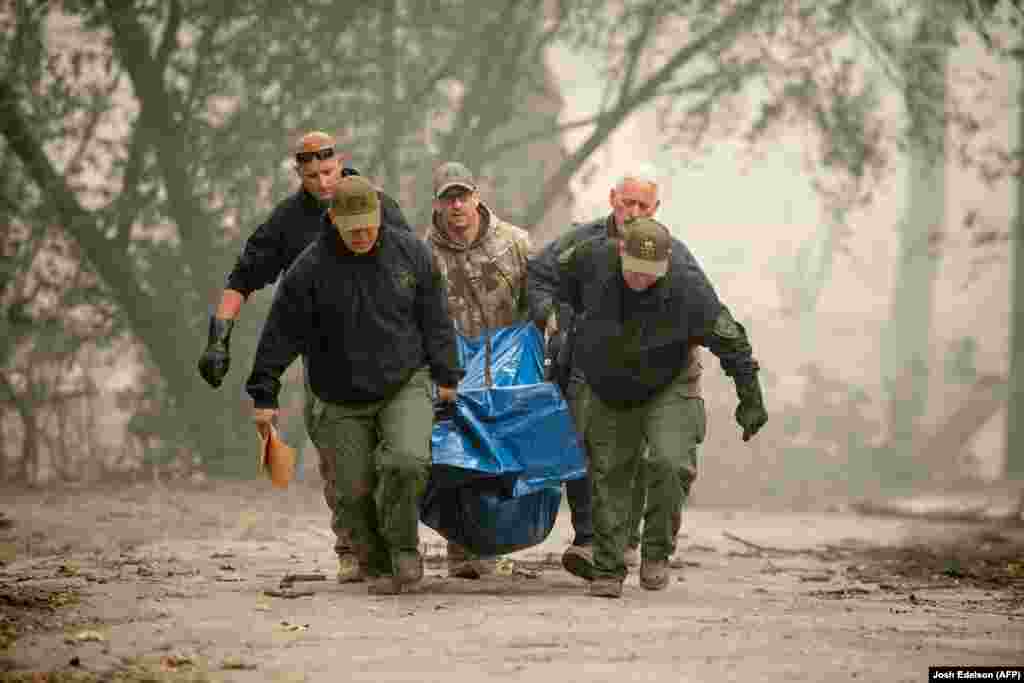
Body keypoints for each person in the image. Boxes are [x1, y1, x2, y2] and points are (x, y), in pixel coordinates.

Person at [197, 131, 413, 584]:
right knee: (340, 459)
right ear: (299, 174)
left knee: (394, 456)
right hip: (327, 357)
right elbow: (244, 276)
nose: (323, 182)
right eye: (312, 175)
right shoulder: (289, 221)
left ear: (342, 164)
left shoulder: (377, 203)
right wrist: (219, 337)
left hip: (386, 350)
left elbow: (415, 269)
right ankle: (350, 548)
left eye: (329, 172)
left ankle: (395, 545)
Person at [245, 175, 462, 595]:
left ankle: (402, 548)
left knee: (407, 461)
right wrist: (264, 393)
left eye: (369, 225)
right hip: (338, 394)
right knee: (352, 486)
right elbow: (279, 334)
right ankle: (375, 561)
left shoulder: (411, 253)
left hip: (404, 381)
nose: (362, 235)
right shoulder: (309, 269)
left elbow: (435, 317)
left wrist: (447, 375)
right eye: (353, 228)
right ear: (335, 221)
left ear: (380, 217)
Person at [555, 216, 767, 597]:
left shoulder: (688, 287)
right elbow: (559, 280)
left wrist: (750, 397)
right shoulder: (590, 259)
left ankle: (656, 551)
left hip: (670, 379)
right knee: (609, 474)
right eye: (635, 270)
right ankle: (607, 567)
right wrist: (573, 332)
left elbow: (731, 340)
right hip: (610, 382)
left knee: (670, 463)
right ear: (621, 251)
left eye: (651, 272)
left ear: (668, 262)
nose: (642, 280)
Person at [528, 168, 681, 579]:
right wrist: (552, 315)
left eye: (642, 206)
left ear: (656, 209)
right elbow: (539, 275)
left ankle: (625, 538)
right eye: (626, 202)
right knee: (583, 446)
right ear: (612, 198)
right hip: (584, 361)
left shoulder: (667, 250)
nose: (632, 212)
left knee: (635, 455)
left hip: (643, 371)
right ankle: (590, 538)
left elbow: (695, 302)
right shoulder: (580, 241)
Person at [423, 161, 532, 579]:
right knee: (457, 461)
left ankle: (495, 543)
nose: (456, 205)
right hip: (452, 372)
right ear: (437, 204)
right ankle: (462, 550)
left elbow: (538, 299)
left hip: (507, 371)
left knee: (505, 461)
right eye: (448, 198)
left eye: (463, 196)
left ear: (477, 196)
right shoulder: (423, 252)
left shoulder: (516, 243)